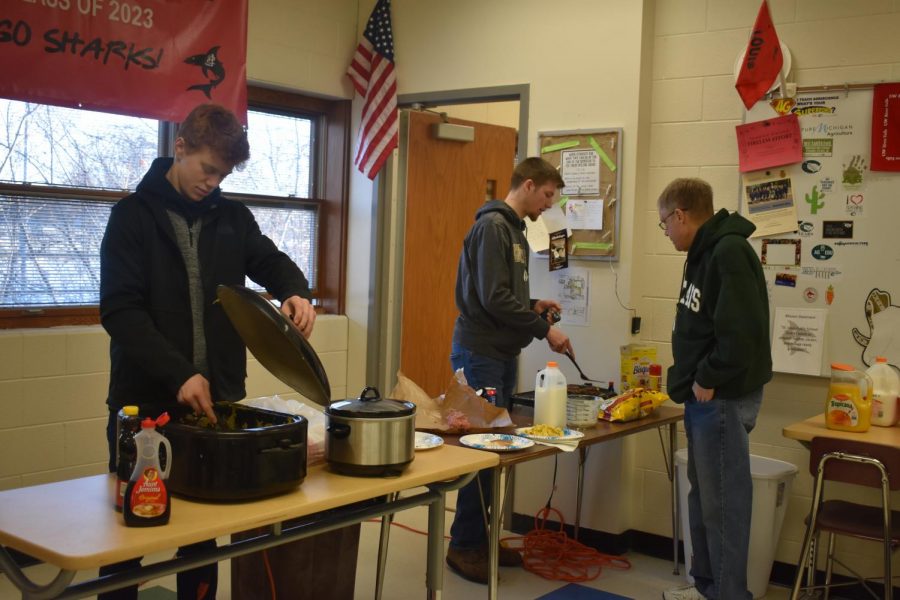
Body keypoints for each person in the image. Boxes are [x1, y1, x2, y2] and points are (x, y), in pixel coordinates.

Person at [99, 103, 315, 600]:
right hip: (144, 405)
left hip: (214, 404)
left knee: (202, 539)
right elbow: (120, 312)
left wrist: (295, 291)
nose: (213, 183)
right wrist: (179, 374)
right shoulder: (131, 217)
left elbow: (270, 260)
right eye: (208, 169)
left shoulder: (232, 217)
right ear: (180, 147)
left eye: (224, 174)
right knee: (126, 538)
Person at [445, 157, 574, 584]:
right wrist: (544, 332)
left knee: (497, 448)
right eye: (548, 196)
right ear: (530, 185)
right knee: (481, 450)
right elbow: (494, 299)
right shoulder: (492, 228)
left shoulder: (515, 231)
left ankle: (483, 538)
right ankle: (464, 547)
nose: (548, 205)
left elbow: (502, 295)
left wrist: (534, 304)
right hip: (479, 353)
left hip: (499, 353)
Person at [656, 178, 772, 600]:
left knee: (724, 506)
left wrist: (707, 377)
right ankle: (707, 589)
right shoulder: (702, 252)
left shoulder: (728, 251)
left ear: (680, 215)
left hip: (719, 397)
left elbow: (742, 332)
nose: (665, 231)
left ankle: (728, 595)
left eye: (664, 222)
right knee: (704, 500)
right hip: (701, 397)